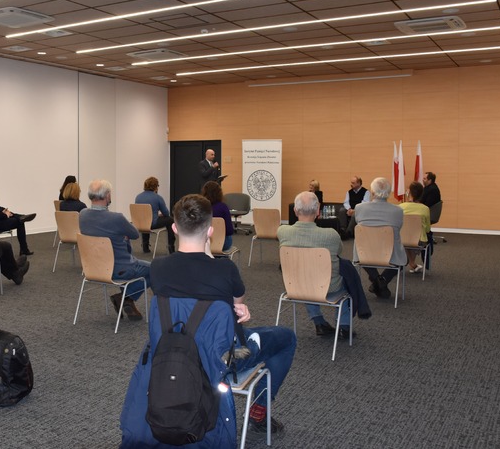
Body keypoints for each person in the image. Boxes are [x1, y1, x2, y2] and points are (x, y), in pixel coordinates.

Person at [150, 193, 297, 438]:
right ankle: (259, 411)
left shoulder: (157, 268)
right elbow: (236, 306)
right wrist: (209, 255)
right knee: (287, 338)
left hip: (173, 354)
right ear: (210, 231)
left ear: (174, 228)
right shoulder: (224, 269)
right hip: (222, 358)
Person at [277, 191, 353, 337]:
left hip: (295, 285)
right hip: (328, 287)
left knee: (305, 276)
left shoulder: (282, 231)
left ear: (295, 210)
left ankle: (319, 322)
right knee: (348, 280)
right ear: (318, 211)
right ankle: (343, 326)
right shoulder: (331, 234)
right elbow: (339, 251)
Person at [79, 179, 150, 320]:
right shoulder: (116, 218)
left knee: (127, 262)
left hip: (93, 268)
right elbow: (135, 234)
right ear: (107, 195)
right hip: (118, 268)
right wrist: (122, 234)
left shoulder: (82, 214)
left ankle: (125, 299)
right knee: (154, 268)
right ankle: (125, 298)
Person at [354, 177, 407, 299]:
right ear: (389, 193)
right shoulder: (398, 211)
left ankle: (377, 281)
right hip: (390, 253)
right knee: (404, 258)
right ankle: (382, 280)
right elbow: (398, 229)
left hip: (364, 252)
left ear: (372, 192)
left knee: (363, 251)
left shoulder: (359, 208)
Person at [133, 176, 175, 254]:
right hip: (152, 223)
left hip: (140, 223)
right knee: (170, 220)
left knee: (145, 219)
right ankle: (171, 246)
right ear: (156, 187)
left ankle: (145, 246)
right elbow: (166, 213)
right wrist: (158, 215)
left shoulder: (138, 197)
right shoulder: (158, 198)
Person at [399, 181, 431, 273]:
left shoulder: (400, 207)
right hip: (419, 240)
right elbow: (427, 229)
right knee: (413, 238)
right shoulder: (425, 209)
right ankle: (412, 264)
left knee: (407, 239)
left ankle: (411, 263)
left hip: (402, 238)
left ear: (409, 193)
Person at [201, 181, 233, 251]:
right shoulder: (223, 207)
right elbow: (229, 231)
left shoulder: (201, 207)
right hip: (223, 243)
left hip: (203, 242)